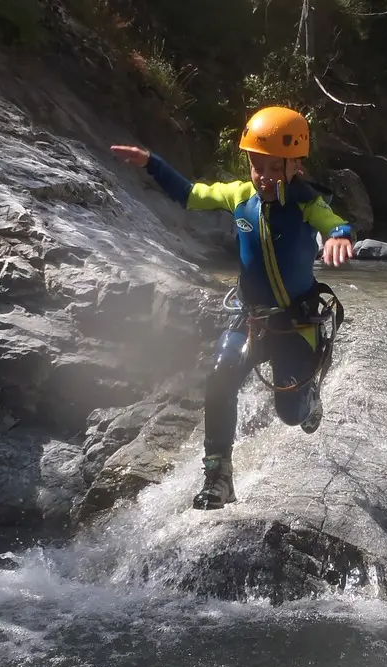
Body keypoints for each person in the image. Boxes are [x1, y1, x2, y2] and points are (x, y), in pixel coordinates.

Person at [110, 106, 356, 510]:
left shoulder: (306, 203)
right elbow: (191, 195)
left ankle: (309, 398)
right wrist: (152, 164)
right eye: (256, 165)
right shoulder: (240, 196)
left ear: (295, 165)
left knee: (291, 415)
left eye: (273, 166)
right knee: (220, 379)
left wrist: (339, 236)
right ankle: (219, 478)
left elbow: (334, 222)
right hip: (249, 318)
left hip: (295, 324)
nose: (263, 175)